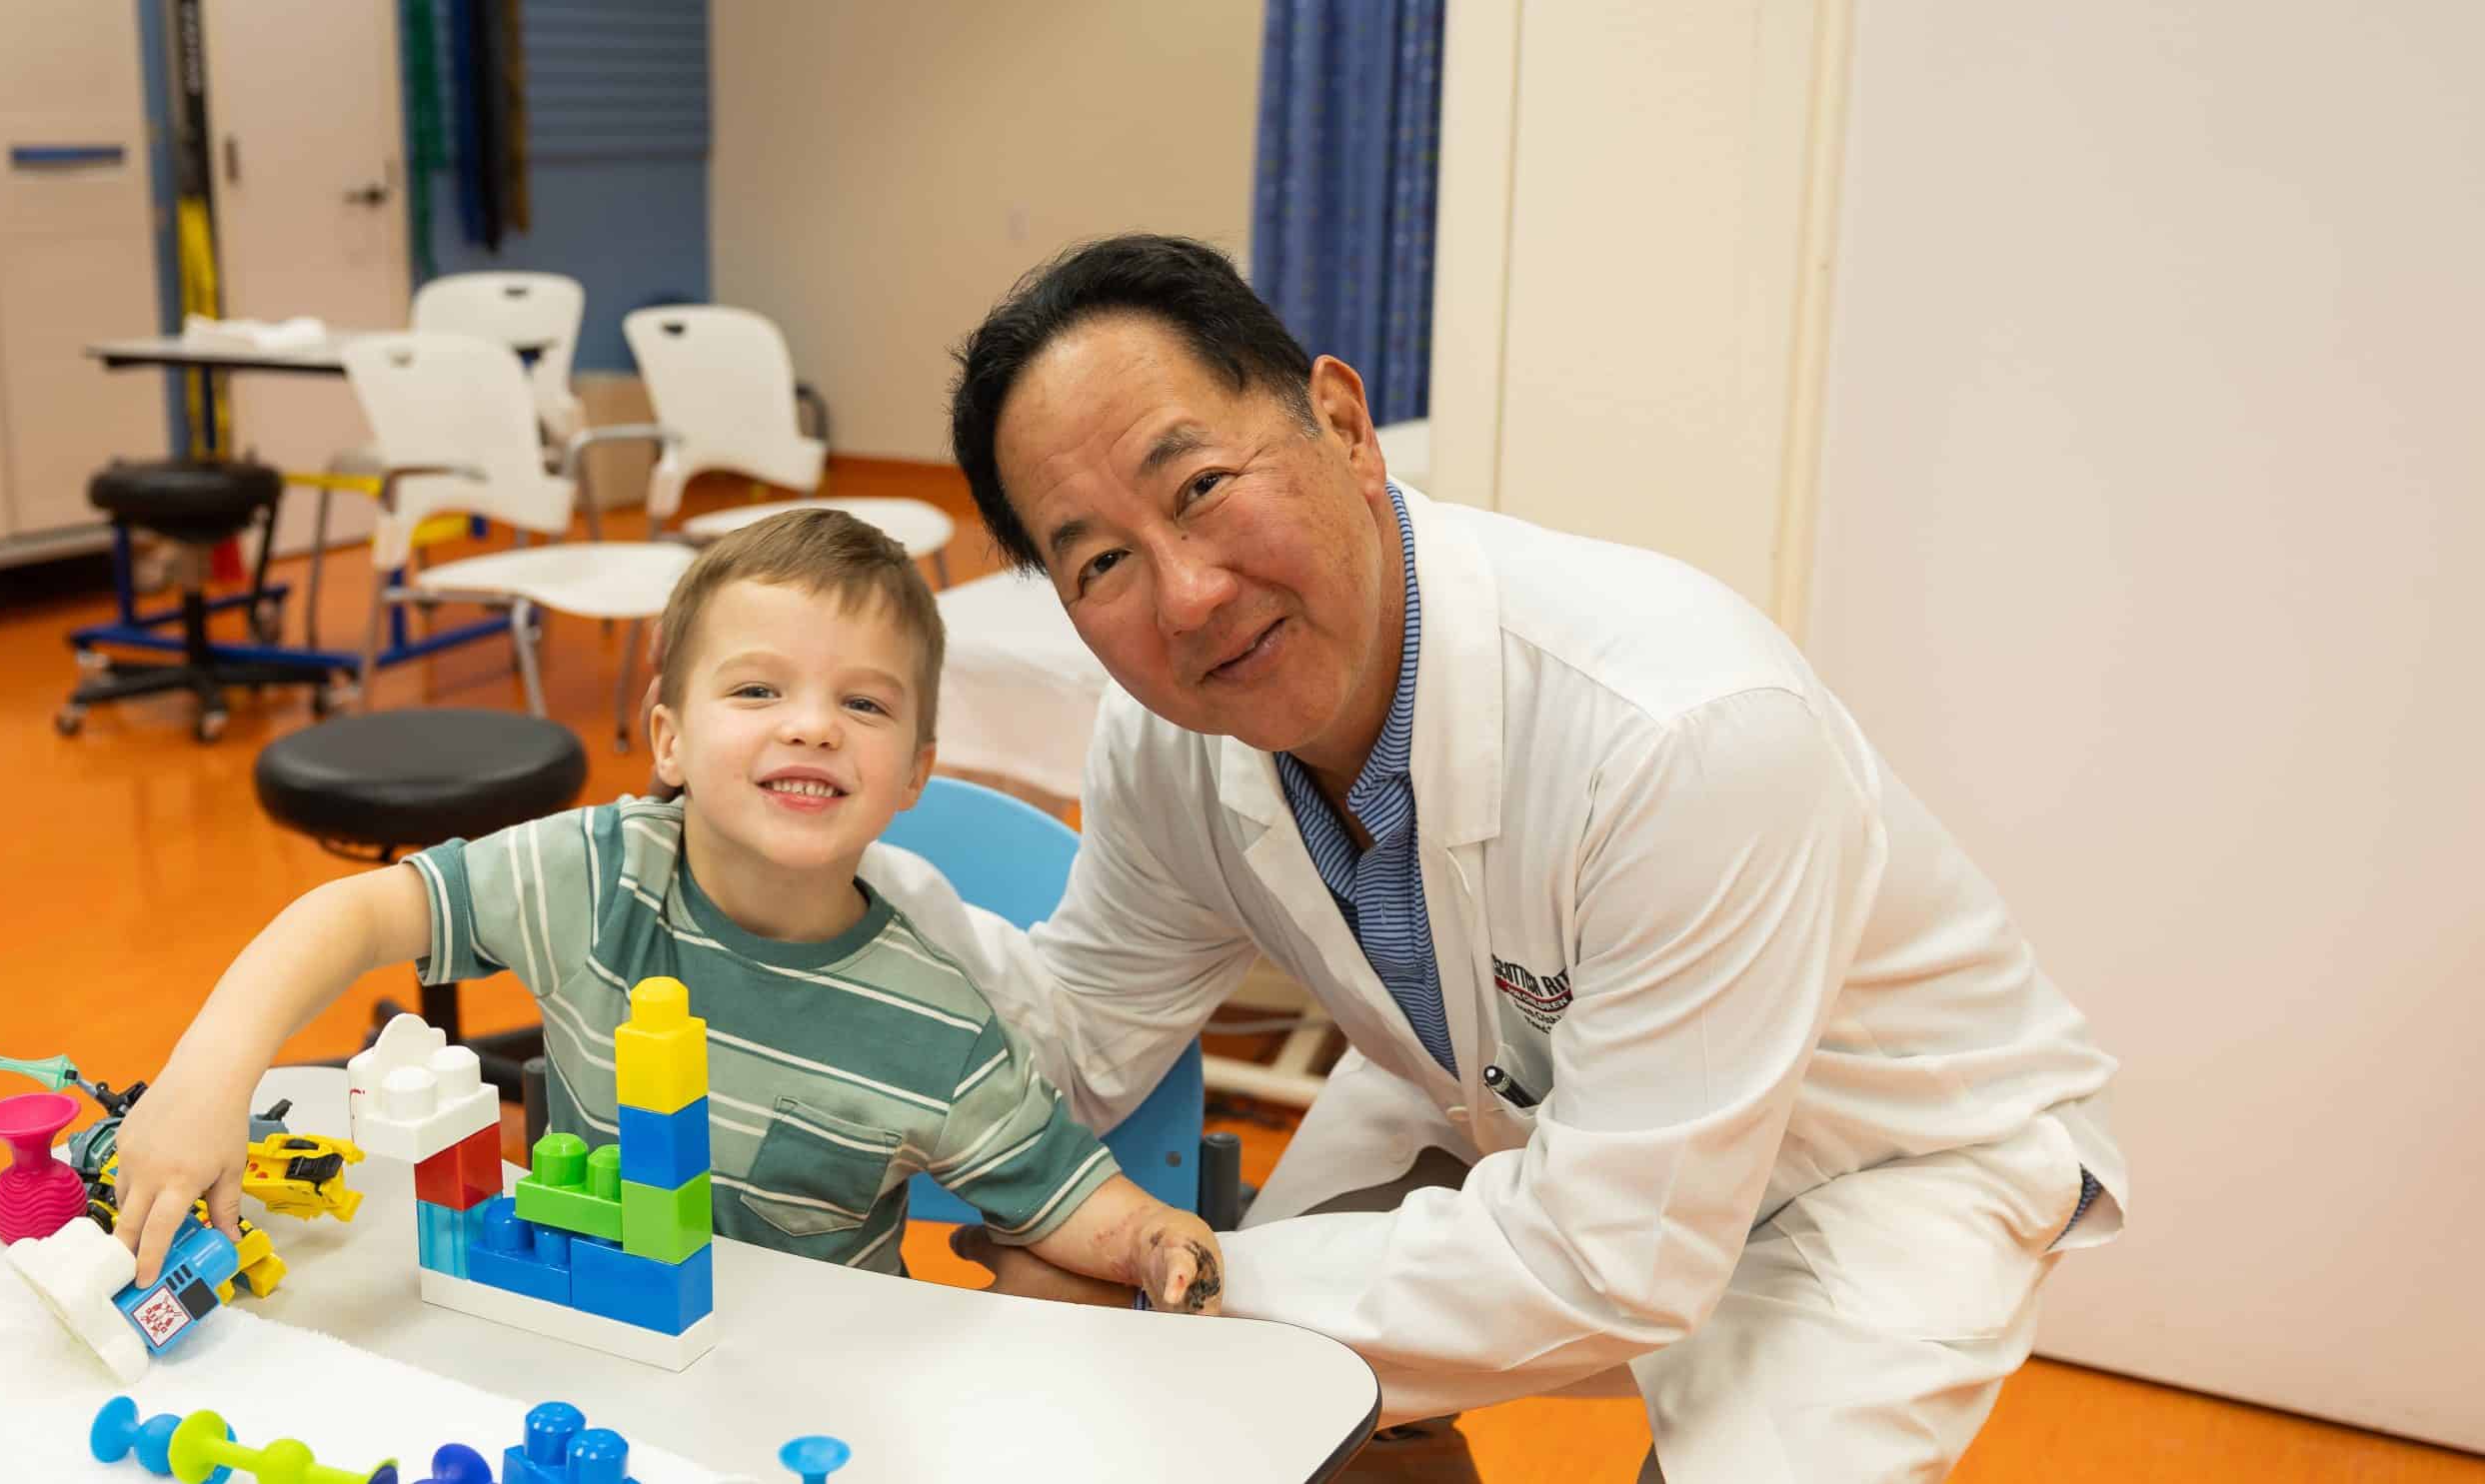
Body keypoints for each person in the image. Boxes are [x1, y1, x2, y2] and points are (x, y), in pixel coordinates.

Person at [863, 234, 2126, 1481]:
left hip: (1881, 1158)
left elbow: (1617, 1258)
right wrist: (824, 890)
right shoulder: (1170, 742)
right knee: (1268, 1418)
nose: (1188, 594)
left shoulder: (1679, 731)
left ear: (1342, 426)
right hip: (1507, 1087)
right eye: (1100, 561)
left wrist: (1162, 1280)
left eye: (1198, 486)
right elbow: (1081, 1041)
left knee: (1250, 1335)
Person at [109, 509, 1223, 1316]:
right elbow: (353, 916)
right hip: (586, 1358)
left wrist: (1155, 1241)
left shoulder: (937, 1021)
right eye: (757, 689)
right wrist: (209, 1075)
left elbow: (1075, 1204)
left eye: (863, 702)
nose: (812, 726)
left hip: (799, 1415)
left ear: (915, 772)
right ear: (669, 740)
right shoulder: (595, 875)